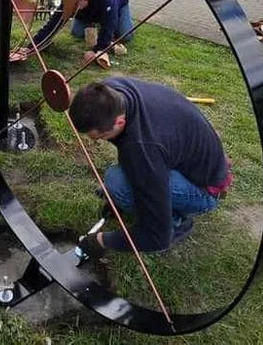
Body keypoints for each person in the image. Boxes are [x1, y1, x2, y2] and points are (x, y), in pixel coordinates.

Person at [68, 77, 232, 258]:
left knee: (118, 184)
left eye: (100, 137)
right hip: (196, 161)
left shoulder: (142, 148)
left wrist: (101, 241)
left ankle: (177, 222)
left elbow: (156, 238)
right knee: (125, 177)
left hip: (205, 190)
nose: (98, 141)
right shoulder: (113, 92)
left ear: (120, 122)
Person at [33, 0, 133, 68]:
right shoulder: (69, 0)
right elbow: (54, 23)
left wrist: (97, 50)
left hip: (116, 4)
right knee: (77, 32)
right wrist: (34, 45)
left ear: (85, 0)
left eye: (75, 7)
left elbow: (109, 24)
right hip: (90, 13)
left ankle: (118, 20)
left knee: (126, 35)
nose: (72, 10)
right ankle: (97, 26)